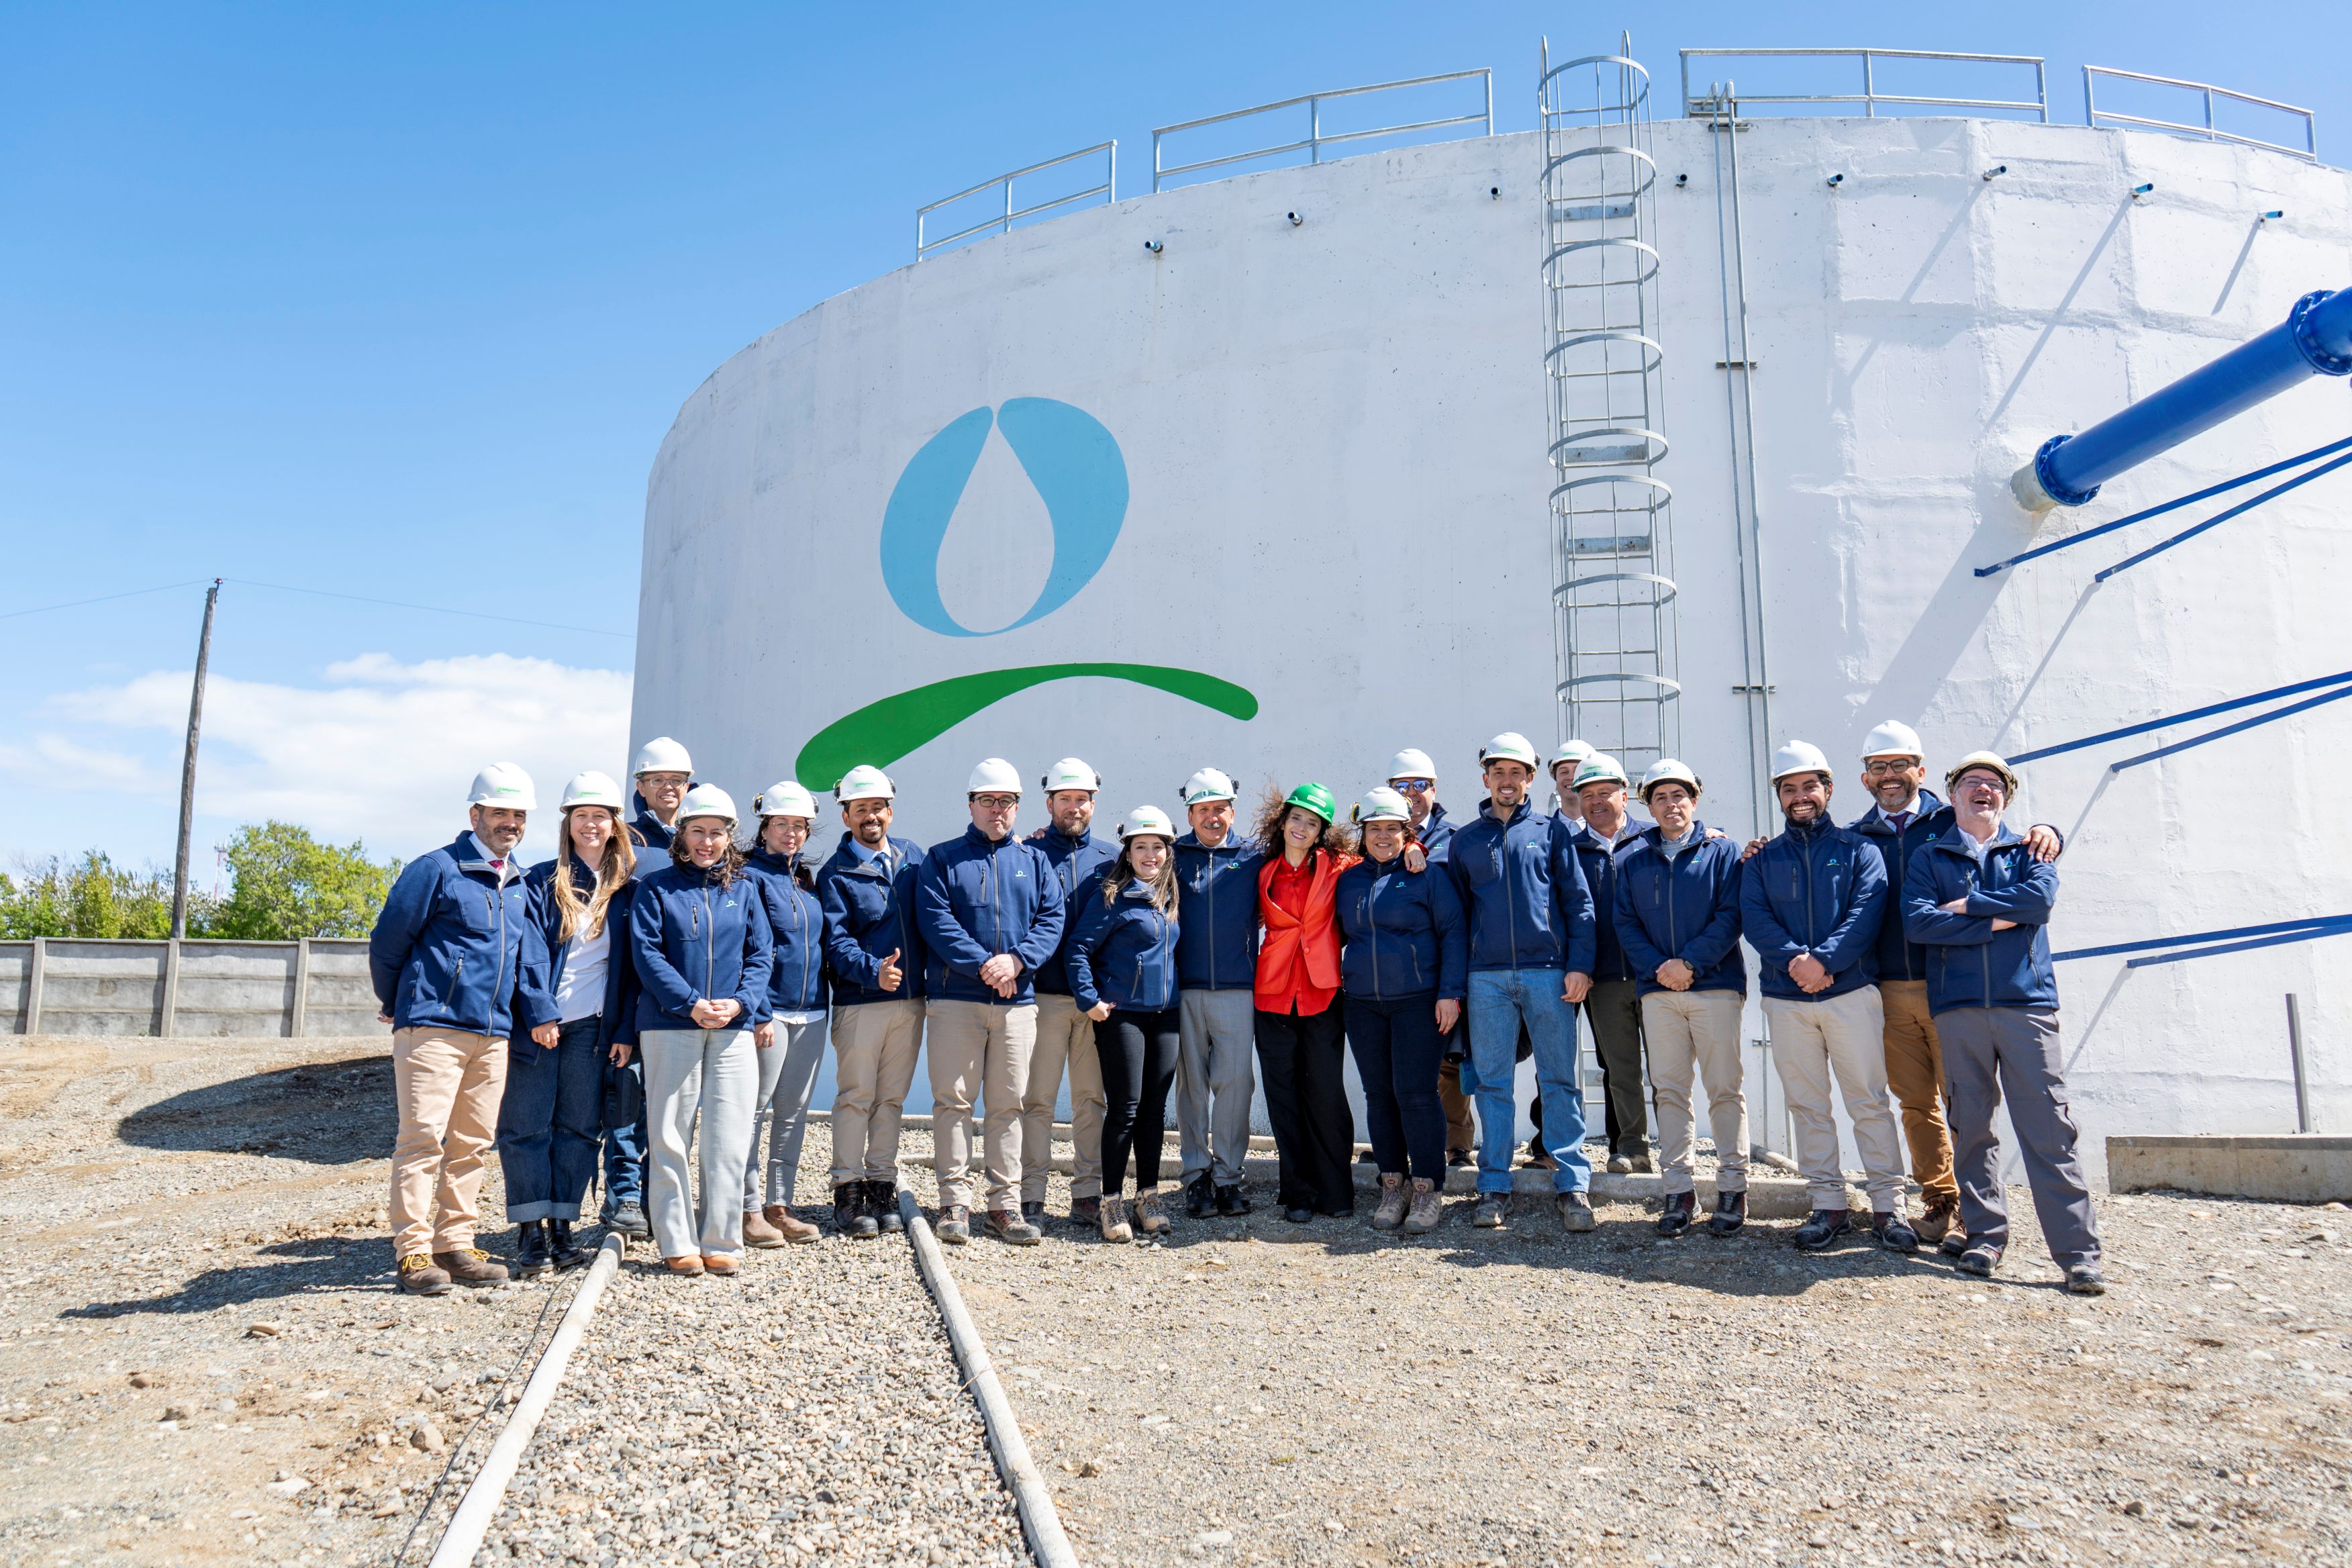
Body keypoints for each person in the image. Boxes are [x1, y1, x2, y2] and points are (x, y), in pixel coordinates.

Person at [1849, 720, 2063, 1247]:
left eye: (1901, 765)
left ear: (1921, 772)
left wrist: (2052, 831)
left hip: (1953, 987)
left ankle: (1976, 1214)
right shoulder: (1855, 838)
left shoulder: (1952, 821)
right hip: (1891, 988)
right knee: (1915, 1101)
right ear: (1866, 779)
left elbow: (2016, 841)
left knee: (1963, 1105)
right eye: (1880, 767)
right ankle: (1941, 1201)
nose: (1892, 776)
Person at [1904, 752, 2104, 1294]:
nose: (1983, 791)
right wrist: (1998, 918)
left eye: (1994, 785)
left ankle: (2078, 1254)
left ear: (2007, 799)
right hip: (1959, 1007)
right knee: (1971, 1129)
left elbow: (2040, 899)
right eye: (1972, 783)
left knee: (2048, 1129)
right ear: (1952, 795)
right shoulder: (1930, 856)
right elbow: (1920, 923)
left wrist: (1965, 908)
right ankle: (1985, 1239)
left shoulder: (2029, 849)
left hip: (2025, 1006)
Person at [368, 763, 539, 1295]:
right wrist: (399, 1002)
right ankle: (414, 1253)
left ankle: (455, 1244)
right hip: (435, 1027)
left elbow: (523, 961)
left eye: (518, 815)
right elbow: (388, 941)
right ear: (475, 814)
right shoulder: (436, 870)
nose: (509, 823)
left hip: (494, 1034)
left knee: (472, 1144)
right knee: (422, 1142)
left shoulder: (519, 882)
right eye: (500, 813)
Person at [1740, 742, 1916, 1254]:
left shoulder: (1861, 850)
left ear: (1828, 790)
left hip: (1851, 994)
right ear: (1779, 796)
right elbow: (1755, 919)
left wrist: (1826, 963)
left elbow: (1867, 913)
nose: (1800, 797)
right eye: (1789, 788)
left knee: (1867, 1100)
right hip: (1788, 997)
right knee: (1808, 1104)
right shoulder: (1761, 860)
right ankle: (1828, 1205)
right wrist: (1798, 961)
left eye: (1809, 787)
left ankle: (1889, 1207)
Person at [1444, 733, 1598, 1234]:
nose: (1507, 781)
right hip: (1485, 978)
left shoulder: (1552, 833)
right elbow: (1456, 920)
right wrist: (1458, 983)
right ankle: (1493, 1184)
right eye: (1497, 772)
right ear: (1485, 778)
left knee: (1559, 1079)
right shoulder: (1464, 840)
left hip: (1548, 972)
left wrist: (1579, 965)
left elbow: (1579, 904)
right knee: (1492, 1084)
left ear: (1531, 778)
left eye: (1516, 772)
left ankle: (1572, 1184)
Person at [915, 758, 1067, 1246]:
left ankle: (1004, 1206)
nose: (997, 810)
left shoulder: (1036, 862)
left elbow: (1052, 918)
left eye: (1006, 802)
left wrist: (1017, 963)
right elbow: (936, 921)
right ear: (971, 804)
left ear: (1018, 806)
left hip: (1017, 1003)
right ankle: (953, 1202)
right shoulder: (942, 859)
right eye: (987, 801)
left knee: (1008, 1105)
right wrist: (987, 964)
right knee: (953, 1101)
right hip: (956, 999)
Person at [630, 785, 774, 1277]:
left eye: (716, 833)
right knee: (670, 1135)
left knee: (729, 1137)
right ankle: (676, 1241)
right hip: (671, 1025)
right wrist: (690, 1004)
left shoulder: (747, 889)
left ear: (730, 837)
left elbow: (761, 956)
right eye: (698, 832)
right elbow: (647, 956)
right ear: (682, 836)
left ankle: (722, 1240)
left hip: (734, 1028)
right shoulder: (657, 888)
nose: (707, 842)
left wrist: (739, 1003)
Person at [503, 770, 640, 1276]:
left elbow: (629, 971)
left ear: (613, 825)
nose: (590, 824)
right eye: (581, 815)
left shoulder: (626, 890)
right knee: (526, 1126)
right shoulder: (542, 880)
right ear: (568, 823)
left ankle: (563, 1229)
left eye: (599, 816)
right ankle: (529, 1233)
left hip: (593, 1029)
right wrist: (539, 1012)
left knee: (579, 1129)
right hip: (541, 1027)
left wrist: (623, 1031)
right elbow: (529, 954)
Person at [1614, 760, 1750, 1238]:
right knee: (1670, 1091)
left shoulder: (1723, 852)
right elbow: (1625, 923)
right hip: (1658, 992)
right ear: (1648, 806)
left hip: (1713, 987)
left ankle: (1733, 1189)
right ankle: (1678, 1191)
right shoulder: (1632, 859)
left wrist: (1689, 963)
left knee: (1723, 1089)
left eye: (1680, 796)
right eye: (1660, 797)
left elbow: (1732, 915)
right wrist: (1659, 969)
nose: (1671, 805)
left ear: (1695, 799)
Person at [1336, 787, 1466, 1236]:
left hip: (1418, 1000)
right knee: (1379, 1095)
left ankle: (1428, 1188)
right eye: (1375, 829)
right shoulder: (1349, 879)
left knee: (1415, 1093)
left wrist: (1450, 992)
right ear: (1364, 833)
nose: (1384, 836)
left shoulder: (1426, 875)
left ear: (1407, 833)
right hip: (1363, 1004)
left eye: (1393, 828)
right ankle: (1393, 1185)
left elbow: (1452, 931)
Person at [815, 765, 926, 1240]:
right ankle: (847, 1189)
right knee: (856, 1097)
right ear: (846, 817)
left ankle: (882, 1185)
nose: (871, 817)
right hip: (861, 1002)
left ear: (891, 811)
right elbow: (835, 943)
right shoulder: (835, 874)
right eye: (861, 809)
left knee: (891, 1099)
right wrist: (872, 970)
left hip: (909, 1001)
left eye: (878, 808)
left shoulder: (913, 858)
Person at [1065, 806, 1183, 1242]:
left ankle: (1147, 1196)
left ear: (1168, 851)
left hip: (1167, 1016)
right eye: (1140, 847)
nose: (1149, 855)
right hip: (1124, 1017)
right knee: (1126, 1108)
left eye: (1157, 846)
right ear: (1127, 852)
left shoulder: (1173, 895)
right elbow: (1077, 948)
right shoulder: (1113, 897)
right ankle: (1111, 1201)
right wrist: (1089, 1001)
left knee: (1155, 1109)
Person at [1254, 783, 1362, 1222]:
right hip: (1272, 994)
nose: (1302, 827)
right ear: (1283, 821)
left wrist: (1411, 845)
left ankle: (1335, 1192)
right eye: (1296, 818)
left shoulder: (1339, 867)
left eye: (1312, 822)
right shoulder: (1262, 870)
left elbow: (1382, 851)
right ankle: (1297, 1193)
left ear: (1322, 832)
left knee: (1325, 1094)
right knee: (1283, 1098)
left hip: (1322, 993)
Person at [1020, 758, 1118, 1228]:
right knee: (1037, 1098)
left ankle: (1087, 1192)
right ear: (1050, 804)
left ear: (1093, 804)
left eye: (1081, 800)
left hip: (1095, 1001)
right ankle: (1032, 1194)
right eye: (1065, 800)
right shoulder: (1030, 853)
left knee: (1090, 1100)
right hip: (1043, 997)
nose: (1074, 808)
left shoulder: (1111, 858)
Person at [738, 781, 829, 1248]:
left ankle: (780, 1206)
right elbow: (747, 951)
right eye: (782, 825)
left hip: (813, 1012)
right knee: (753, 1113)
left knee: (792, 1114)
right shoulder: (748, 877)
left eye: (799, 826)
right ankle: (748, 1209)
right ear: (765, 827)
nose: (791, 834)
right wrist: (758, 1011)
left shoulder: (804, 882)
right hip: (768, 1014)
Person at [1171, 767, 1263, 1219]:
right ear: (1190, 813)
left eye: (1220, 809)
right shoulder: (1172, 855)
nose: (1212, 818)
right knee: (1191, 1087)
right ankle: (1196, 1177)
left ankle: (1228, 1177)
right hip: (1184, 989)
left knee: (1236, 1086)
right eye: (1203, 809)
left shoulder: (1253, 856)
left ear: (1232, 810)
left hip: (1237, 988)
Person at [1387, 747, 1474, 1171]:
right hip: (1397, 972)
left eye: (1419, 785)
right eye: (1401, 786)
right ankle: (1405, 1145)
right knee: (1401, 1064)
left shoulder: (1456, 838)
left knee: (1449, 1061)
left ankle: (1457, 1145)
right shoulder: (1377, 837)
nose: (1410, 794)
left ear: (1434, 789)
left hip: (1446, 967)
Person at [1564, 754, 1651, 1175]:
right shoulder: (1569, 850)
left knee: (1670, 1073)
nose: (1597, 801)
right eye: (1588, 794)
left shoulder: (1652, 840)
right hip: (1603, 980)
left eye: (1605, 792)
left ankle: (1676, 1150)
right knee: (1621, 1070)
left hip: (1656, 976)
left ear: (1625, 795)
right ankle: (1633, 1149)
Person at [626, 736, 695, 851]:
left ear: (686, 787)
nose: (668, 787)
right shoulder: (625, 839)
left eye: (676, 780)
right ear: (641, 788)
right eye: (658, 780)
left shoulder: (704, 841)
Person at [1549, 739, 1594, 821]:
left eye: (1577, 771)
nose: (1571, 777)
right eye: (1564, 772)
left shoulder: (1609, 831)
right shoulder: (1544, 832)